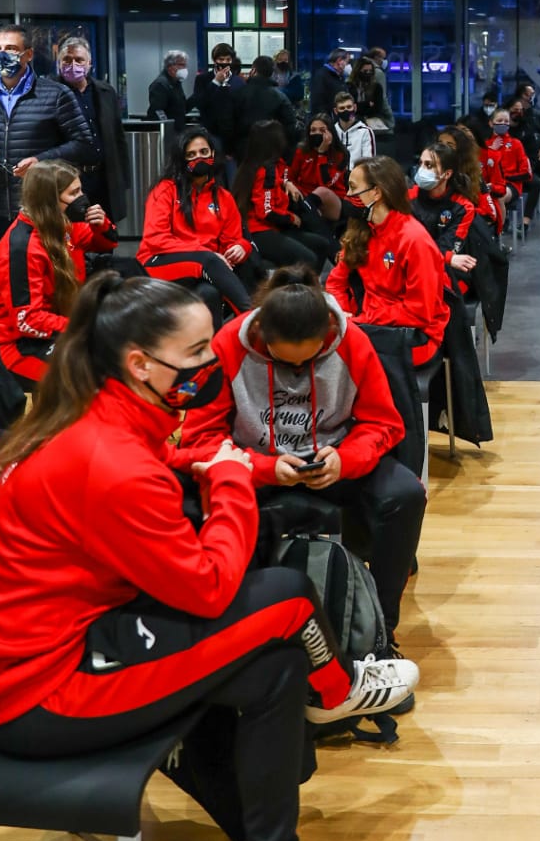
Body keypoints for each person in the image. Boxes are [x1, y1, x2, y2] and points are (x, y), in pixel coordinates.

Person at [0, 274, 417, 841]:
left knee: (277, 662)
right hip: (42, 691)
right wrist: (231, 480)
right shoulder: (108, 456)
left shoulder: (94, 412)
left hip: (70, 645)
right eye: (195, 356)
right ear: (140, 364)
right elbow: (210, 586)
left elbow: (171, 467)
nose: (210, 367)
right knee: (281, 600)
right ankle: (336, 690)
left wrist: (219, 465)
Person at [179, 265, 426, 649]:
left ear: (327, 332)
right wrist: (264, 468)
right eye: (286, 363)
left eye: (308, 362)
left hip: (334, 461)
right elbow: (198, 438)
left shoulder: (352, 341)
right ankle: (233, 631)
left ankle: (380, 630)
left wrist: (346, 459)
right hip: (255, 465)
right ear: (260, 334)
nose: (297, 371)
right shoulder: (227, 344)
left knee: (406, 494)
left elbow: (384, 424)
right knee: (186, 500)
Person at [0, 160, 117, 389]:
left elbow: (102, 243)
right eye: (74, 193)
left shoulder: (62, 223)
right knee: (88, 380)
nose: (82, 198)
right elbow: (27, 320)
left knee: (115, 359)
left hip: (51, 328)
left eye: (81, 189)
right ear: (50, 200)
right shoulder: (22, 248)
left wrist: (101, 225)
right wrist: (82, 326)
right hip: (13, 344)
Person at [327, 156, 449, 367]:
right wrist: (342, 313)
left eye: (353, 188)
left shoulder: (414, 239)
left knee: (338, 359)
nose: (347, 195)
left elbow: (419, 312)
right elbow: (336, 281)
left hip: (415, 334)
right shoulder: (360, 230)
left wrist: (361, 320)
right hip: (372, 325)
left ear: (377, 192)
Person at [138, 127, 258, 319]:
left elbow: (235, 238)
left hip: (205, 266)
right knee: (208, 260)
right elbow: (156, 239)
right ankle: (252, 318)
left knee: (209, 293)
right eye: (191, 155)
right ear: (182, 159)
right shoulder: (164, 190)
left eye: (204, 152)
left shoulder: (224, 197)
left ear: (213, 153)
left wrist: (240, 247)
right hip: (158, 260)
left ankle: (217, 346)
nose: (199, 158)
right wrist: (204, 252)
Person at [0, 25, 92, 246]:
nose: (1, 54)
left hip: (42, 207)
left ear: (28, 54)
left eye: (10, 48)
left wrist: (40, 161)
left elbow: (84, 145)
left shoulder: (55, 94)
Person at [233, 120, 329, 272]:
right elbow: (265, 211)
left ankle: (312, 287)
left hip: (273, 226)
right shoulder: (264, 170)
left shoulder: (270, 165)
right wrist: (290, 218)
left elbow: (277, 183)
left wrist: (286, 183)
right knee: (308, 258)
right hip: (259, 231)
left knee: (321, 244)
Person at [56, 36, 130, 223]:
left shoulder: (106, 92)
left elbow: (117, 136)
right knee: (73, 233)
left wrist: (124, 178)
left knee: (104, 232)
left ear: (89, 63)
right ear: (59, 63)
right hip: (67, 178)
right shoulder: (49, 92)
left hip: (103, 176)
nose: (73, 65)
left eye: (79, 60)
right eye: (67, 60)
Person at [410, 144, 477, 290]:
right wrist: (447, 257)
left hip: (444, 269)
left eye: (429, 165)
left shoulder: (463, 207)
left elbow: (447, 247)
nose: (421, 170)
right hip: (411, 264)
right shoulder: (408, 197)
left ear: (447, 174)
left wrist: (447, 257)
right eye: (420, 163)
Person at [437, 123, 503, 234]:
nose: (442, 148)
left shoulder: (471, 176)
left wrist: (459, 213)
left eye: (450, 145)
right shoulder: (429, 174)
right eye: (440, 143)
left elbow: (490, 214)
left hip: (464, 228)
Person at [287, 114, 348, 226]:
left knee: (321, 191)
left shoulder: (340, 154)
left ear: (330, 132)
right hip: (306, 197)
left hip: (332, 198)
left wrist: (322, 154)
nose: (317, 133)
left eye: (322, 130)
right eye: (313, 130)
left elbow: (326, 184)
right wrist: (296, 190)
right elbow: (290, 178)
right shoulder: (301, 151)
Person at [233, 54, 299, 158]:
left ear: (253, 70)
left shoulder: (239, 93)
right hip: (272, 149)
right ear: (272, 72)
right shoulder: (280, 97)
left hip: (245, 148)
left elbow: (231, 121)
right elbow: (290, 125)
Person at [484, 106, 532, 230]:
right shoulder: (486, 145)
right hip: (489, 183)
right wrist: (491, 151)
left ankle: (499, 229)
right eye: (499, 121)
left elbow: (526, 172)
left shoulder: (516, 144)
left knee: (498, 196)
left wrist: (505, 178)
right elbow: (482, 168)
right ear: (491, 123)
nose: (503, 124)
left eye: (506, 121)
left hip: (511, 185)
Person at [193, 43, 242, 158]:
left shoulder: (238, 82)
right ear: (215, 61)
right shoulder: (202, 79)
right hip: (211, 133)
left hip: (232, 136)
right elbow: (200, 103)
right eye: (221, 59)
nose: (224, 62)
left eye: (228, 59)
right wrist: (215, 82)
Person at [147, 50, 193, 130]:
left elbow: (181, 108)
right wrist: (168, 129)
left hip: (178, 130)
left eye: (185, 65)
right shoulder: (160, 84)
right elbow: (158, 111)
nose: (184, 68)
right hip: (169, 133)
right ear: (170, 66)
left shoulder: (176, 83)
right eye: (181, 65)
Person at [332, 89, 377, 169]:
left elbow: (369, 163)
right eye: (342, 108)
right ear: (336, 111)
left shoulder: (365, 131)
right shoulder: (332, 131)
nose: (346, 110)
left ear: (355, 108)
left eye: (349, 107)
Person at [348, 56, 394, 131]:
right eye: (365, 71)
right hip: (353, 124)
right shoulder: (349, 86)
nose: (368, 73)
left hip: (373, 124)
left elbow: (377, 108)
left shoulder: (377, 87)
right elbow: (351, 108)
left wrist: (359, 106)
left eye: (370, 71)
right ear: (358, 71)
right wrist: (367, 104)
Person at [309, 48, 350, 119]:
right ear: (339, 60)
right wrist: (326, 120)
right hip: (327, 120)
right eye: (347, 62)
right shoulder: (322, 75)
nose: (348, 65)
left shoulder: (340, 77)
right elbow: (318, 102)